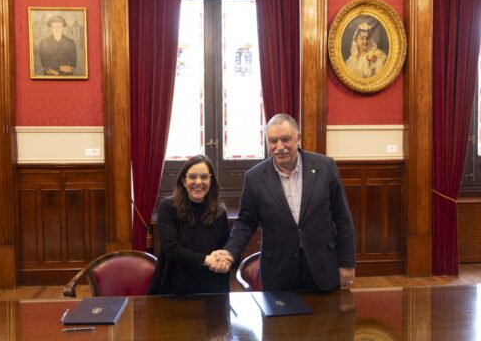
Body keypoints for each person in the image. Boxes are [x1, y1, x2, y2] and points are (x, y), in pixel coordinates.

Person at [211, 114, 356, 293]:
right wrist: (229, 253)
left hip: (323, 267)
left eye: (286, 139)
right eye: (273, 141)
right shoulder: (254, 178)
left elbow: (343, 219)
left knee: (326, 320)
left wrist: (347, 263)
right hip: (279, 271)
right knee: (281, 321)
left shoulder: (325, 167)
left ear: (298, 138)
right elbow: (246, 223)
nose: (279, 147)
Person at [148, 154, 230, 295]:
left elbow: (226, 248)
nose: (198, 182)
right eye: (192, 177)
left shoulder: (220, 212)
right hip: (174, 289)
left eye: (204, 177)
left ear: (211, 181)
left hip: (212, 289)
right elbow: (172, 249)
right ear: (183, 181)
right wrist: (207, 260)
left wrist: (224, 259)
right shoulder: (167, 207)